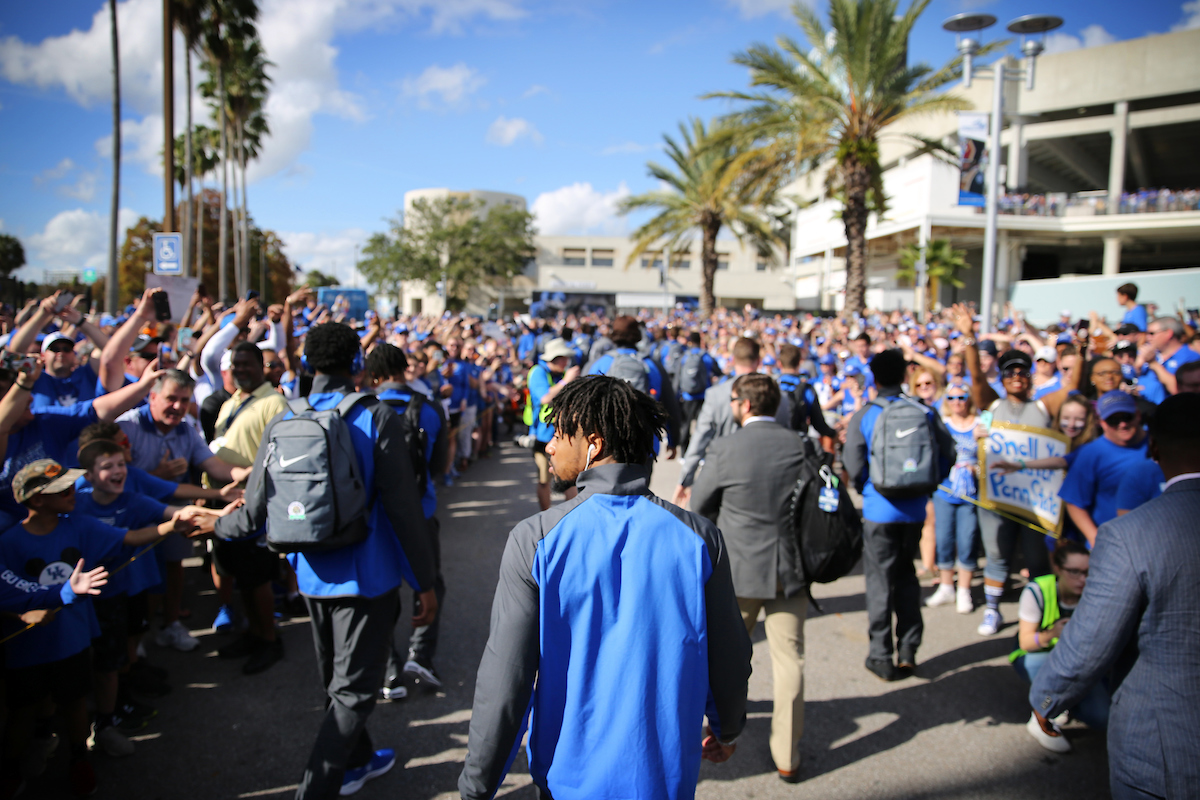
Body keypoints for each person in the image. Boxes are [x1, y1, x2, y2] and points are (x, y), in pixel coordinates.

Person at [458, 376, 752, 800]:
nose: (550, 447)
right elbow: (729, 655)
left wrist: (478, 784)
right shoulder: (699, 537)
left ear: (593, 446)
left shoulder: (536, 538)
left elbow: (506, 678)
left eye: (559, 434)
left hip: (566, 779)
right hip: (664, 778)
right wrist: (728, 728)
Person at [201, 321, 438, 799]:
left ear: (306, 363)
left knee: (335, 682)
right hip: (367, 579)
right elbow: (403, 509)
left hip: (309, 573)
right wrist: (424, 582)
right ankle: (317, 788)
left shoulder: (285, 416)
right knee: (353, 692)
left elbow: (255, 510)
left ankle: (359, 759)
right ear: (357, 364)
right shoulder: (374, 416)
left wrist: (214, 525)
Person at [1029, 393, 1200, 799]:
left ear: (1153, 448)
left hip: (1164, 746)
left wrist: (1047, 697)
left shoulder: (1128, 535)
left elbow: (1092, 636)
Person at [0, 458, 196, 797]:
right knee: (23, 709)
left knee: (75, 701)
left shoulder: (80, 525)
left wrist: (170, 526)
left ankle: (79, 759)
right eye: (62, 489)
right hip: (26, 648)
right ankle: (13, 767)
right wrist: (22, 616)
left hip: (71, 639)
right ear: (37, 499)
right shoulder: (8, 543)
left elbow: (131, 537)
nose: (72, 492)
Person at [690, 373, 810, 783]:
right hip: (790, 567)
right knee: (790, 660)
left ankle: (721, 732)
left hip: (738, 572)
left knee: (722, 659)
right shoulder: (799, 444)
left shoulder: (725, 447)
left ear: (743, 404)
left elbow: (700, 508)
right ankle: (787, 755)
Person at [952, 303, 1074, 637]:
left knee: (1037, 560)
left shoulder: (1043, 406)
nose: (1016, 377)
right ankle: (992, 609)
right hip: (998, 496)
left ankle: (1042, 613)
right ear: (1003, 378)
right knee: (996, 555)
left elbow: (1072, 388)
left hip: (1034, 499)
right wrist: (969, 337)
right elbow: (976, 376)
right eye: (1009, 373)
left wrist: (1078, 351)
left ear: (1030, 376)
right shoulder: (992, 403)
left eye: (1022, 372)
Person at [843, 349, 955, 681]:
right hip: (915, 508)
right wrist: (928, 484)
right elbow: (947, 452)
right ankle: (908, 649)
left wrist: (867, 487)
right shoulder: (923, 411)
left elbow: (853, 463)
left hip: (879, 508)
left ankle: (880, 654)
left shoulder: (866, 415)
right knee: (906, 576)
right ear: (905, 376)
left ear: (874, 379)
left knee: (880, 582)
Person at [117, 368, 244, 653]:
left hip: (174, 510)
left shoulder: (186, 429)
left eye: (184, 400)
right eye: (171, 398)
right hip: (133, 516)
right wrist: (157, 475)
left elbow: (214, 466)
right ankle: (137, 637)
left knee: (174, 566)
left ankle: (170, 624)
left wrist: (248, 472)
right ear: (152, 397)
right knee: (137, 576)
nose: (178, 406)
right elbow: (117, 480)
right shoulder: (127, 427)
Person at [365, 342, 450, 698]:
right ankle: (421, 655)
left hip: (377, 516)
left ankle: (388, 668)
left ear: (374, 376)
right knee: (428, 581)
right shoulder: (430, 409)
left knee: (381, 588)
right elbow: (439, 465)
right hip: (421, 510)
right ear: (404, 369)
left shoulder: (364, 411)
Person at [207, 342, 290, 674]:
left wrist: (254, 492)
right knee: (240, 574)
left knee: (258, 577)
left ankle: (269, 639)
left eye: (246, 364)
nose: (240, 370)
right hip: (226, 503)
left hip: (253, 504)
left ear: (260, 366)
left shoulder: (274, 402)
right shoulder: (233, 401)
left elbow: (279, 455)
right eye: (235, 365)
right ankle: (253, 634)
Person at [1011, 540, 1109, 753]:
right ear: (1057, 568)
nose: (1082, 579)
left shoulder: (1096, 591)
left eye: (1087, 572)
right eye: (1074, 572)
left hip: (1082, 662)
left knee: (1102, 717)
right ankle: (1043, 713)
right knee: (1037, 667)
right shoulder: (1038, 590)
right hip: (1041, 656)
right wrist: (1052, 633)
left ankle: (1066, 702)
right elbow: (1025, 642)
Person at [673, 336, 761, 507]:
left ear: (733, 360)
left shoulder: (717, 394)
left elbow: (700, 439)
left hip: (725, 473)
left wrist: (685, 479)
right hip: (762, 475)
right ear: (758, 360)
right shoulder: (776, 394)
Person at [1059, 391, 1149, 547]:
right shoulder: (1091, 453)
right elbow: (1074, 502)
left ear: (1138, 415)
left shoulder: (1160, 444)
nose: (1122, 424)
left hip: (1157, 540)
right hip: (1114, 545)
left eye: (1127, 417)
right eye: (1113, 420)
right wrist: (1094, 538)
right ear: (1101, 422)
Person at [924, 385, 983, 614]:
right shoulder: (942, 425)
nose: (957, 401)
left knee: (967, 540)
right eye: (951, 397)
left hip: (971, 494)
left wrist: (976, 468)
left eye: (961, 396)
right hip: (945, 491)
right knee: (944, 539)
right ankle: (947, 586)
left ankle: (964, 590)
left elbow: (990, 460)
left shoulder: (980, 424)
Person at [524, 338, 580, 511]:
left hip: (564, 435)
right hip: (542, 436)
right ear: (554, 358)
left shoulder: (561, 374)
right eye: (564, 358)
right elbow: (545, 398)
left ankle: (571, 517)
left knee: (569, 479)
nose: (567, 362)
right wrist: (567, 381)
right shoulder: (538, 372)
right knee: (544, 479)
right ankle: (546, 517)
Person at [1137, 316, 1200, 402]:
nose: (1148, 338)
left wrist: (1153, 364)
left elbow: (1179, 390)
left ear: (1168, 333)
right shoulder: (1153, 354)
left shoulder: (1191, 357)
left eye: (1151, 333)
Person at [674, 331, 718, 453]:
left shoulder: (685, 357)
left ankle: (684, 452)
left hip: (687, 396)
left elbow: (678, 377)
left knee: (685, 425)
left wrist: (676, 396)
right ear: (700, 341)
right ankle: (701, 452)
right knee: (703, 426)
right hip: (704, 395)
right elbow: (717, 371)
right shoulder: (706, 356)